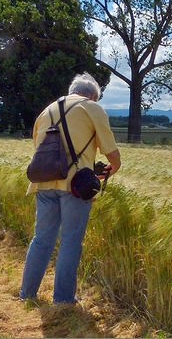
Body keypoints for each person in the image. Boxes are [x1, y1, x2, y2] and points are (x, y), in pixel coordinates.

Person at [19, 73, 121, 304]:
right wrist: (111, 169)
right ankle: (63, 300)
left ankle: (27, 293)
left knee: (41, 239)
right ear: (93, 95)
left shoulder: (47, 110)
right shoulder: (92, 108)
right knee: (70, 241)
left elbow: (39, 146)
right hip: (76, 186)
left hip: (43, 181)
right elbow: (111, 153)